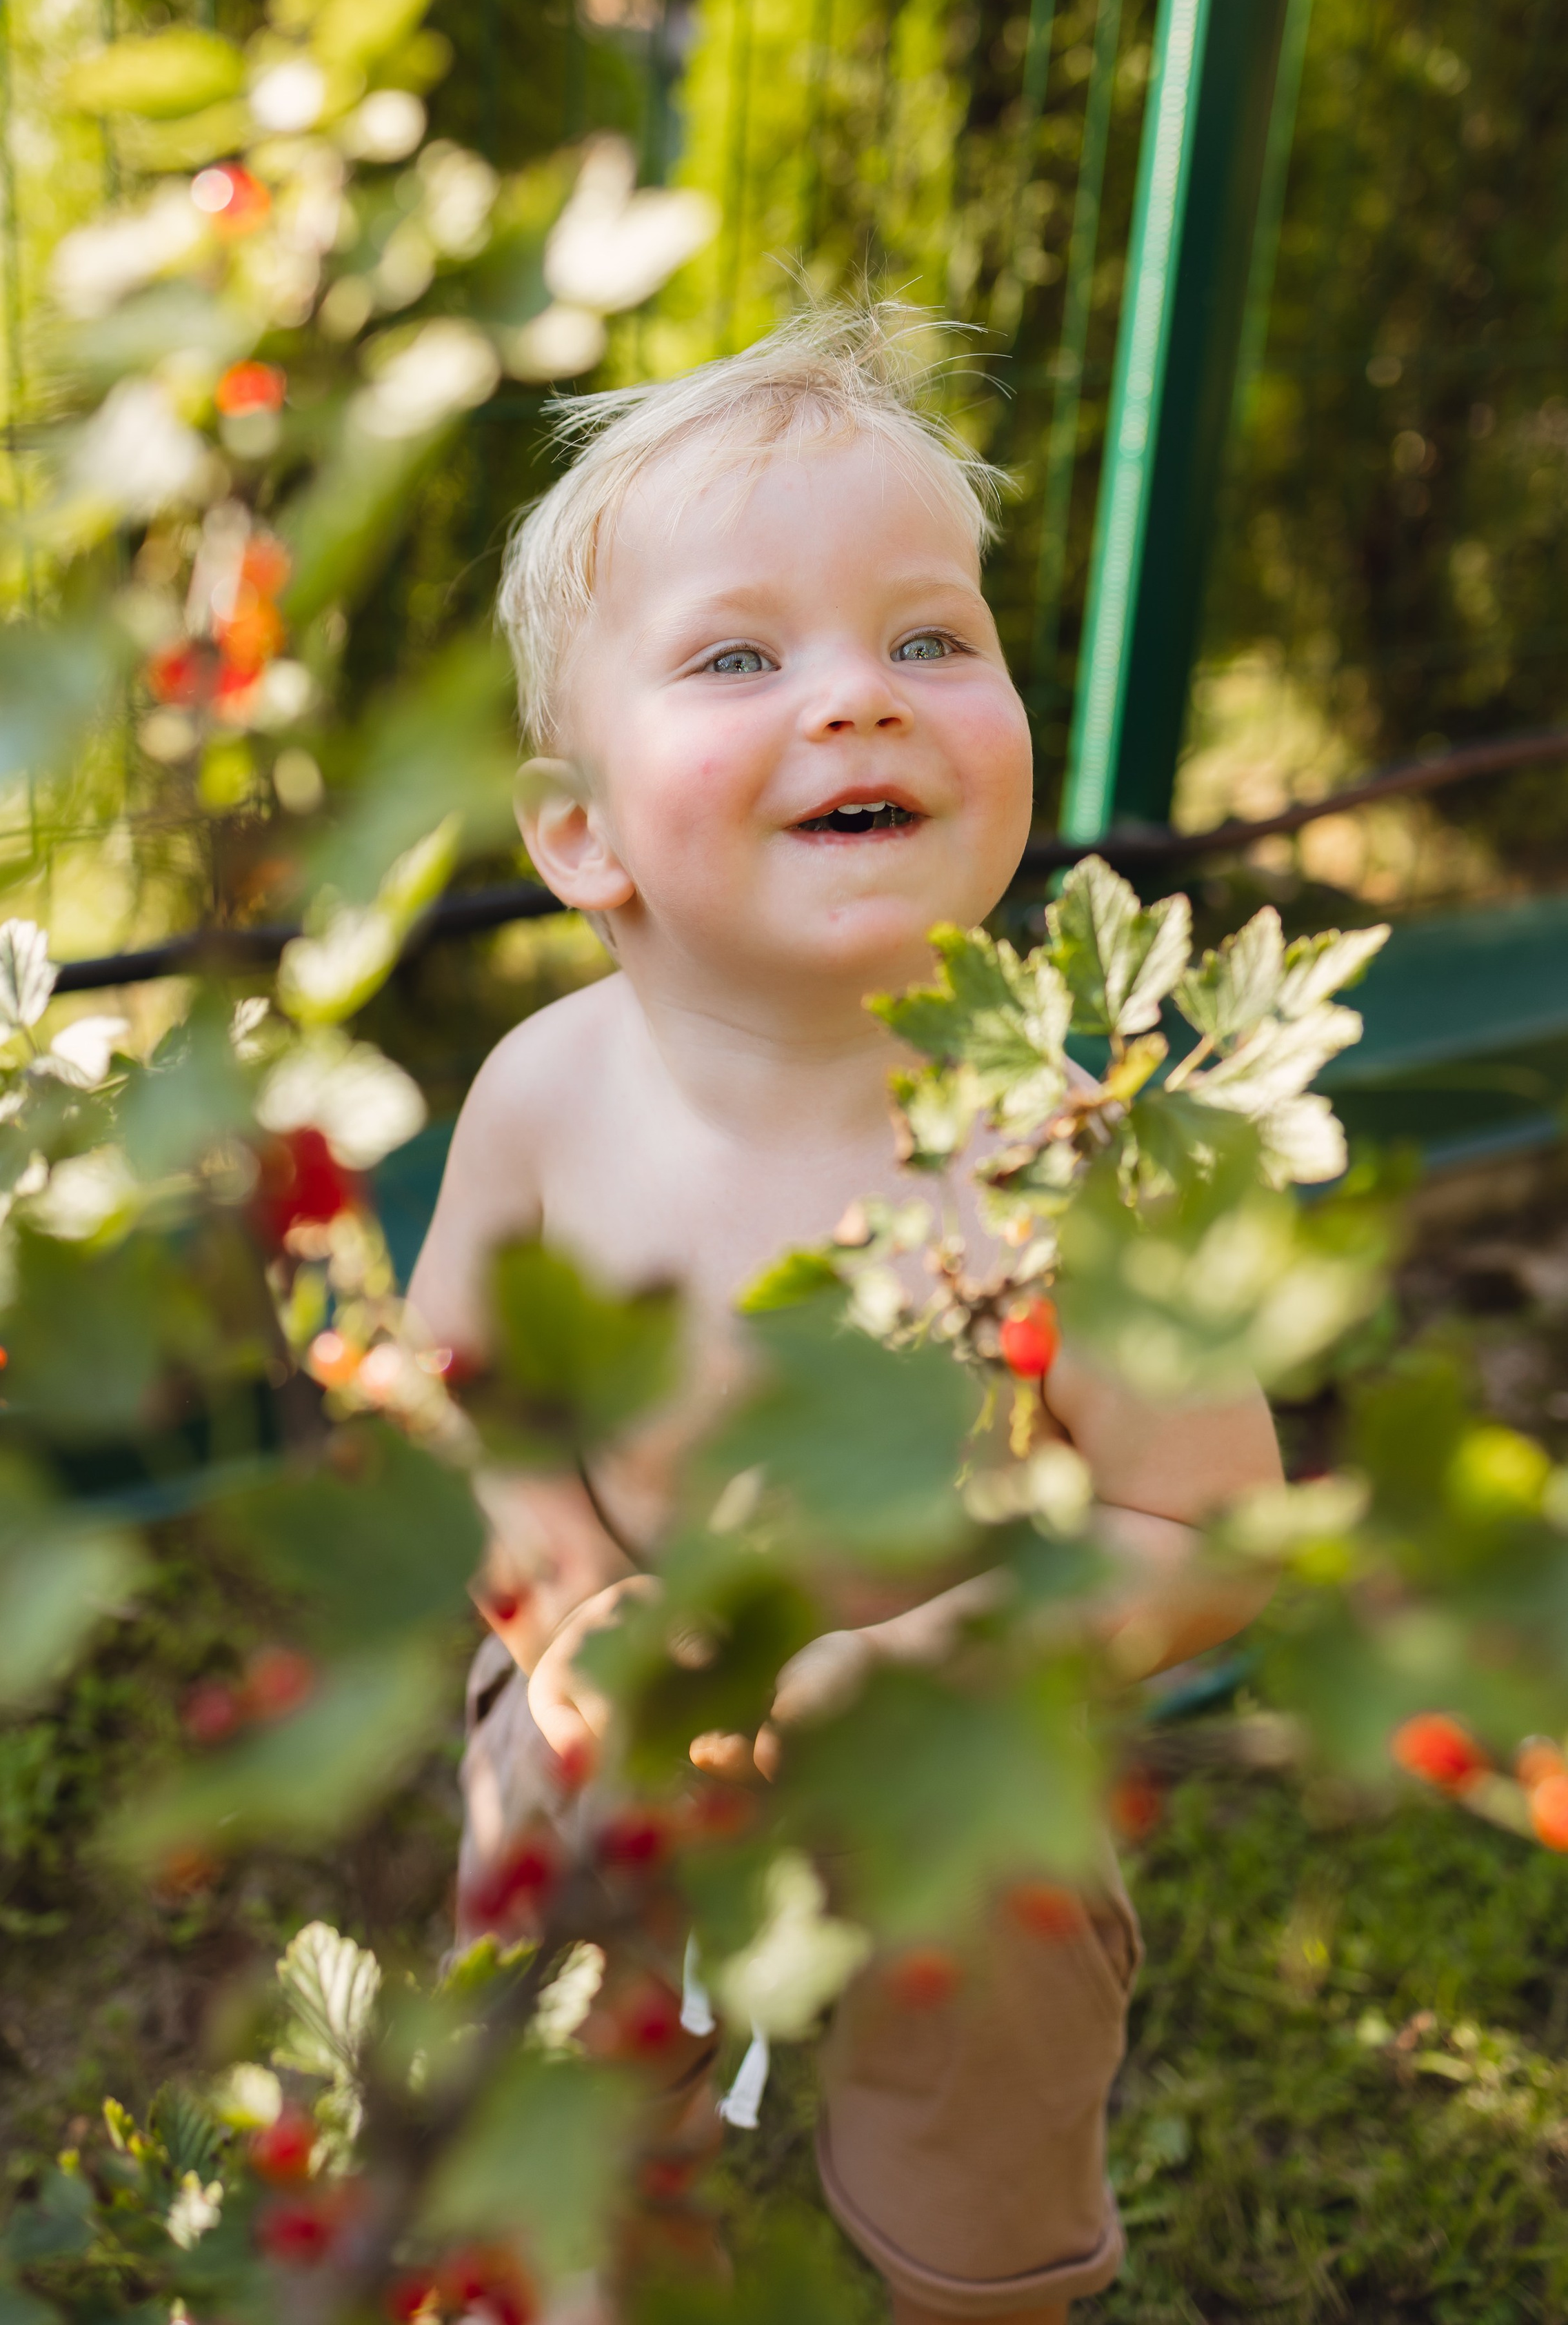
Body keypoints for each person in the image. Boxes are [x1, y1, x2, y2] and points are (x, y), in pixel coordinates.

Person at [408, 308, 1280, 2324]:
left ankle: (972, 2284)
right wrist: (560, 1600)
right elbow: (447, 1401)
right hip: (601, 1737)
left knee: (980, 2152)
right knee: (565, 2143)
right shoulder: (547, 1089)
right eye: (740, 658)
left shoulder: (1070, 1150)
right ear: (579, 836)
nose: (860, 703)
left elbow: (1205, 1529)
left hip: (959, 1788)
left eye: (929, 639)